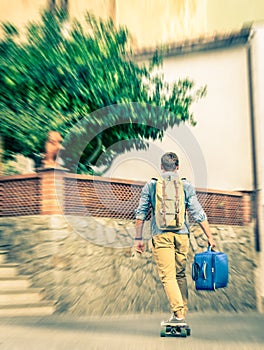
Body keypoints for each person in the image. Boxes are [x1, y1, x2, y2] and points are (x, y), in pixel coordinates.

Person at [134, 152, 216, 324]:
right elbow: (198, 213)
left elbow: (140, 214)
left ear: (161, 167)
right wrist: (210, 236)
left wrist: (138, 239)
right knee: (179, 275)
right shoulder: (186, 185)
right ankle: (181, 313)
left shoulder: (151, 185)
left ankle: (178, 315)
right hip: (182, 236)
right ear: (177, 167)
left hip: (161, 236)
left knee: (168, 276)